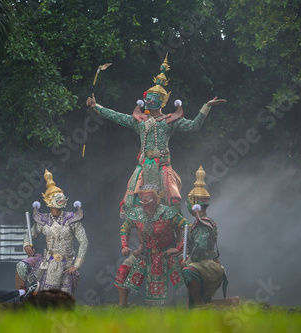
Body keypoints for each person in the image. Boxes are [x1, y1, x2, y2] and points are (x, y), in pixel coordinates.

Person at [86, 54, 227, 216]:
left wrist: (206, 106)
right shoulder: (140, 121)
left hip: (163, 167)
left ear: (163, 100)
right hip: (143, 167)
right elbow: (117, 116)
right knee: (130, 201)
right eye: (148, 98)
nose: (149, 101)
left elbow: (194, 126)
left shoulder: (169, 122)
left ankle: (178, 230)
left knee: (172, 201)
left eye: (154, 98)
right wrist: (96, 106)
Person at [113, 162, 188, 306]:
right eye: (142, 200)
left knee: (187, 269)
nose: (145, 203)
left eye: (148, 199)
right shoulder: (137, 214)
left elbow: (186, 227)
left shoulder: (168, 212)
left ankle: (190, 303)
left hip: (167, 253)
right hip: (145, 253)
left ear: (157, 199)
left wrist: (178, 249)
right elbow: (125, 228)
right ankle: (123, 305)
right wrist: (125, 245)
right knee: (123, 269)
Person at [15, 169, 88, 296]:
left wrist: (77, 264)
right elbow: (30, 234)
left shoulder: (72, 219)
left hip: (66, 262)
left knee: (62, 299)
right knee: (22, 267)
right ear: (48, 201)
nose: (60, 199)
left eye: (61, 196)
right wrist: (27, 244)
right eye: (56, 197)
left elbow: (84, 241)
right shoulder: (42, 220)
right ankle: (20, 299)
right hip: (47, 261)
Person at [181, 166, 239, 308]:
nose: (187, 204)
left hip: (207, 265)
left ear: (195, 204)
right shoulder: (200, 223)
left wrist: (189, 260)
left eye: (189, 201)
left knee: (187, 271)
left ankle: (201, 306)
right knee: (192, 308)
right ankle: (230, 302)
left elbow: (200, 246)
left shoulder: (202, 224)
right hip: (203, 265)